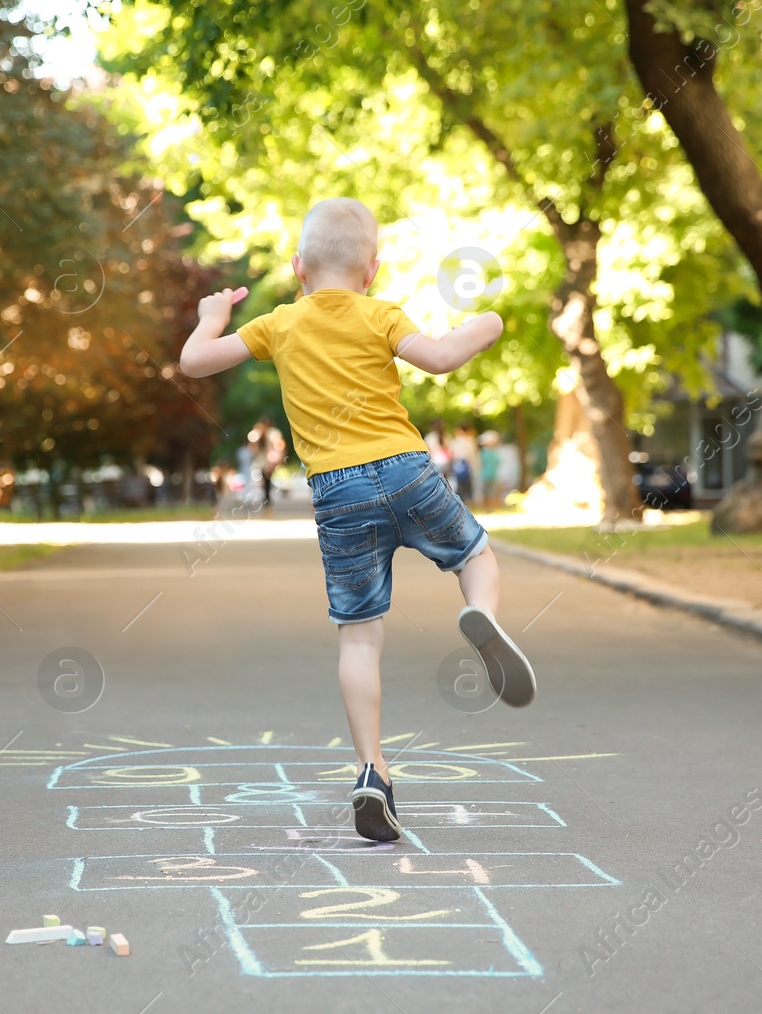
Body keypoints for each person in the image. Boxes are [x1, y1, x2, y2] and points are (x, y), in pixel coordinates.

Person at [178, 197, 536, 844]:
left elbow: (195, 361)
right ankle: (482, 614)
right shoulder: (381, 314)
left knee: (360, 635)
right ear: (372, 269)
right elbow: (443, 355)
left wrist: (211, 316)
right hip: (405, 467)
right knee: (474, 553)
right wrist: (490, 319)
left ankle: (373, 768)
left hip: (337, 490)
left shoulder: (279, 323)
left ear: (298, 267)